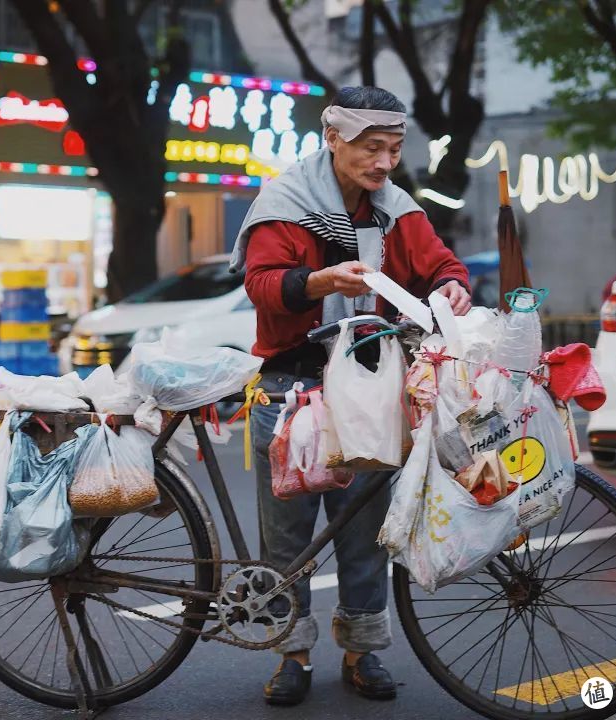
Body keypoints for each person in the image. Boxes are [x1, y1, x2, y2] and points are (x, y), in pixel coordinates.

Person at [229, 86, 471, 706]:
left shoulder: (395, 209)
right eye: (371, 147)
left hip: (369, 381)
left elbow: (442, 265)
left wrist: (452, 289)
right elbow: (261, 285)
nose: (384, 163)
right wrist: (318, 281)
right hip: (293, 381)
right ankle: (293, 653)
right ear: (332, 138)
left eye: (393, 148)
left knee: (365, 526)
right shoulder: (284, 200)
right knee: (288, 531)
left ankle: (362, 649)